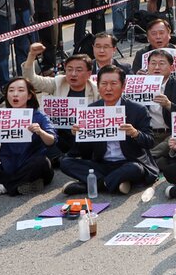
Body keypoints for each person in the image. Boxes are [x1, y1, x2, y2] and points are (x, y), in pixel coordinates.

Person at [60, 66, 157, 195]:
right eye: (104, 84)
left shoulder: (137, 109)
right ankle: (113, 183)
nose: (108, 88)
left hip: (128, 161)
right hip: (102, 164)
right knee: (66, 163)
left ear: (123, 86)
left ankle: (92, 186)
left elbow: (150, 142)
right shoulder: (91, 110)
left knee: (134, 169)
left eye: (113, 84)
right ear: (98, 86)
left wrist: (135, 133)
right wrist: (78, 135)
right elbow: (84, 151)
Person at [0, 77, 55, 195]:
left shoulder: (39, 116)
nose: (15, 94)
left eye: (20, 90)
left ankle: (5, 187)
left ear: (29, 95)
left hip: (33, 168)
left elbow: (51, 141)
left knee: (42, 162)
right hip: (9, 169)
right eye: (11, 91)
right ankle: (21, 184)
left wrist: (40, 132)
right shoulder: (0, 116)